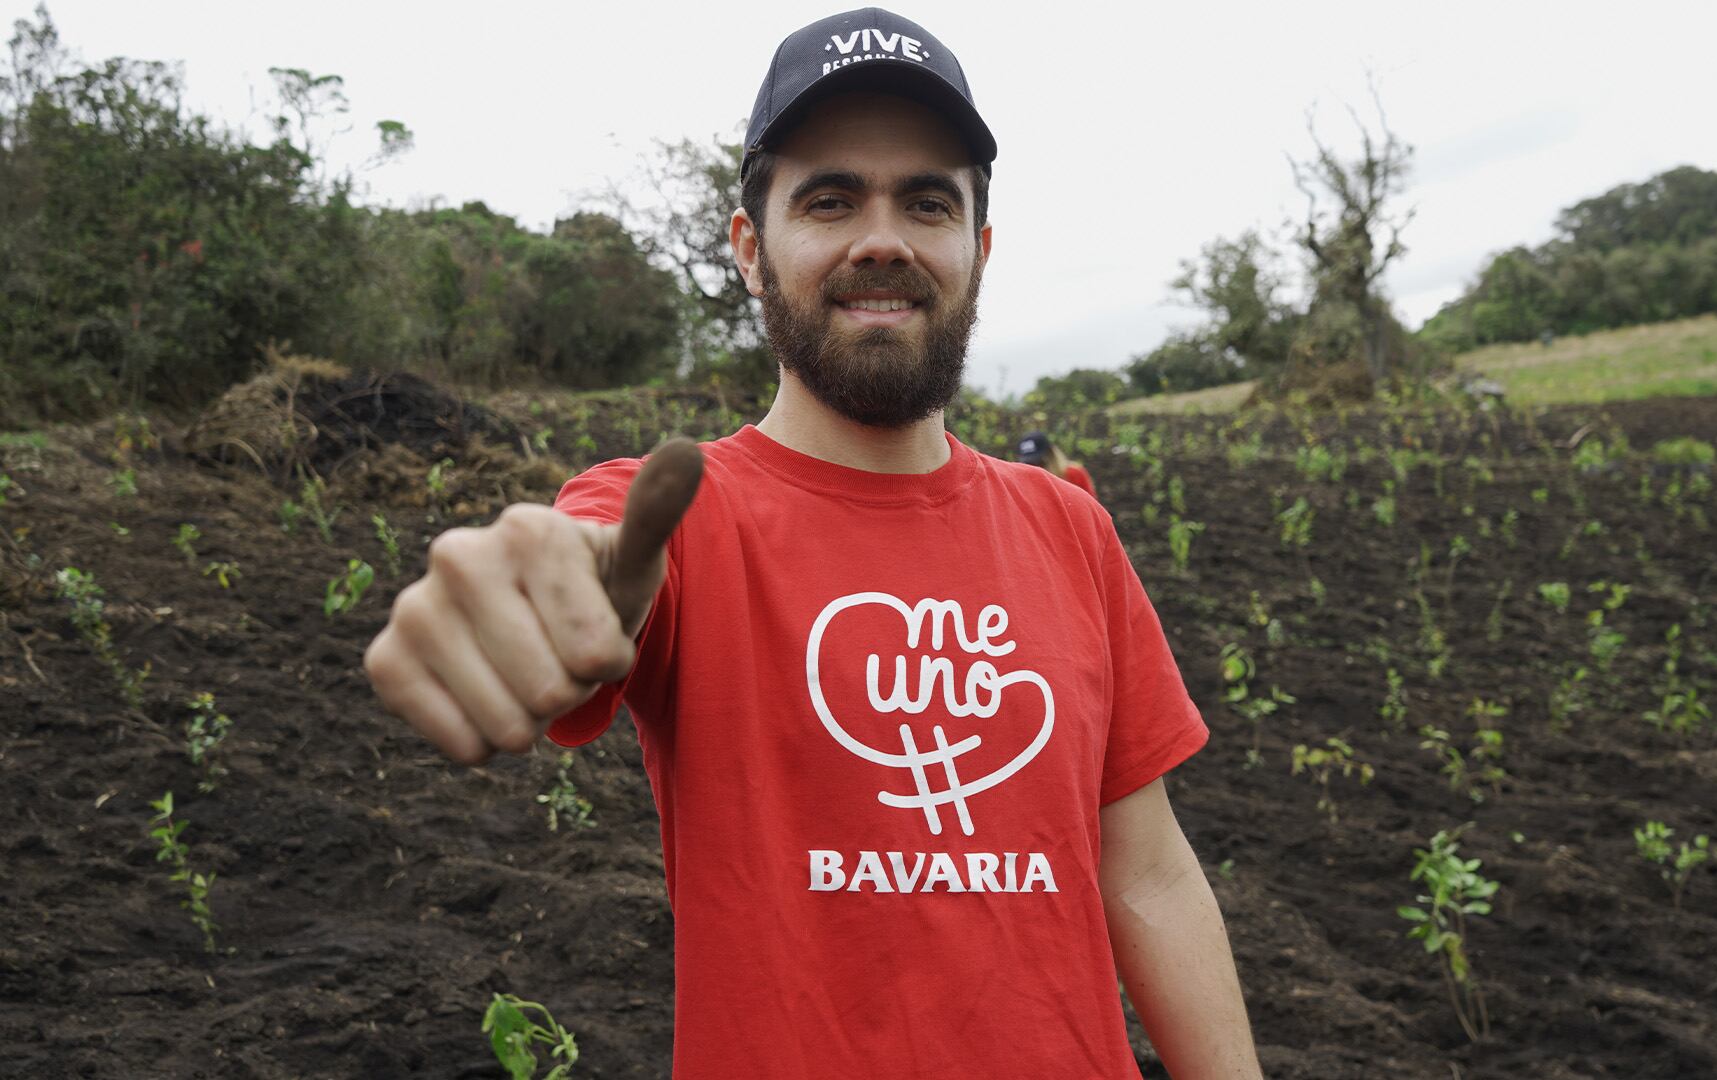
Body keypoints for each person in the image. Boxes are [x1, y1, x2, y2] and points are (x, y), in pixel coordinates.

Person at [363, 9, 1260, 1078]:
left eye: (927, 202)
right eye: (830, 200)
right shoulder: (682, 518)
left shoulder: (1070, 528)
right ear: (751, 250)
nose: (882, 238)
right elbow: (588, 559)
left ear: (977, 250)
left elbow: (1148, 871)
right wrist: (539, 587)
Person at [1016, 429, 1098, 497]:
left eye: (1039, 461)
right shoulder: (1025, 481)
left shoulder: (1073, 474)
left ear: (1050, 455)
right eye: (1028, 463)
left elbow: (1091, 504)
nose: (1034, 466)